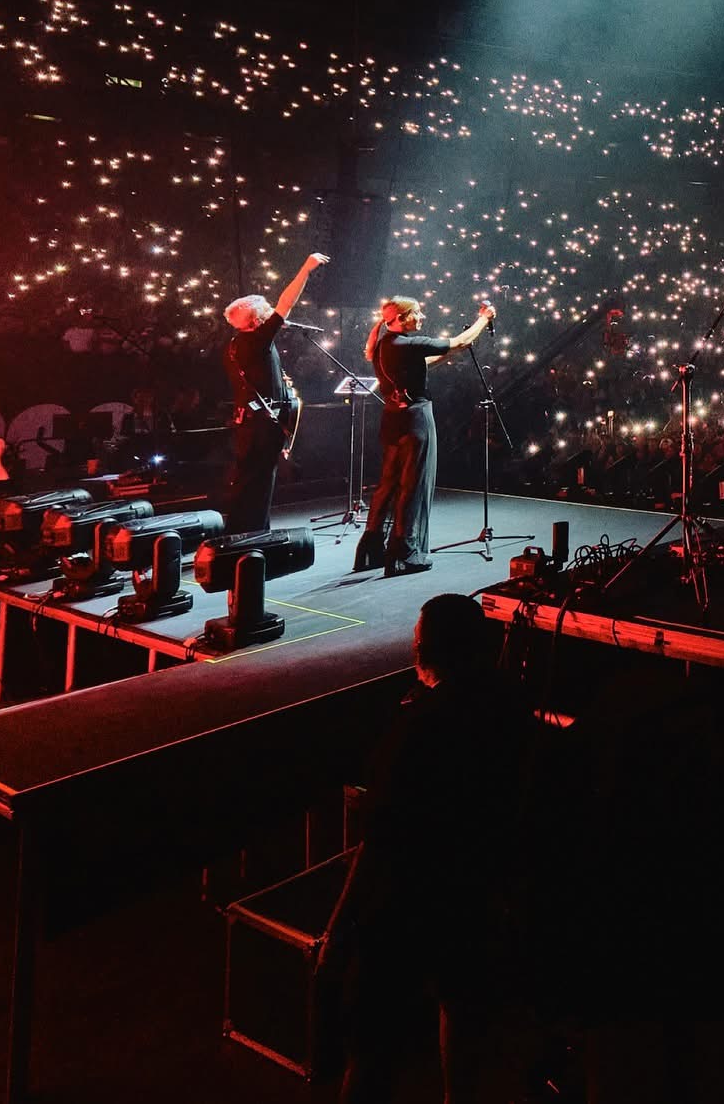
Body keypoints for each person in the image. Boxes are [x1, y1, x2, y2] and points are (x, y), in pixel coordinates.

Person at [321, 593, 538, 1104]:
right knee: (462, 1006)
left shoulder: (417, 730)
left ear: (423, 648)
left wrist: (338, 928)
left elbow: (379, 840)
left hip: (406, 901)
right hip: (475, 887)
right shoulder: (509, 704)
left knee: (371, 1044)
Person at [353, 295, 495, 576]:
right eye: (417, 313)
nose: (422, 317)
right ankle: (404, 554)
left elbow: (423, 363)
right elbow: (460, 342)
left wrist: (453, 351)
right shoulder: (409, 343)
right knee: (413, 486)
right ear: (403, 318)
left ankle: (371, 549)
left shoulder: (386, 344)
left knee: (389, 484)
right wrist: (484, 318)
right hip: (416, 419)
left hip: (393, 420)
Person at [221, 251, 329, 533]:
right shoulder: (256, 339)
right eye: (266, 312)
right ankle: (254, 533)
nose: (272, 313)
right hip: (261, 425)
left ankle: (240, 532)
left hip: (247, 422)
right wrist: (306, 268)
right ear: (257, 320)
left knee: (247, 478)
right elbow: (287, 302)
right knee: (261, 479)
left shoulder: (235, 345)